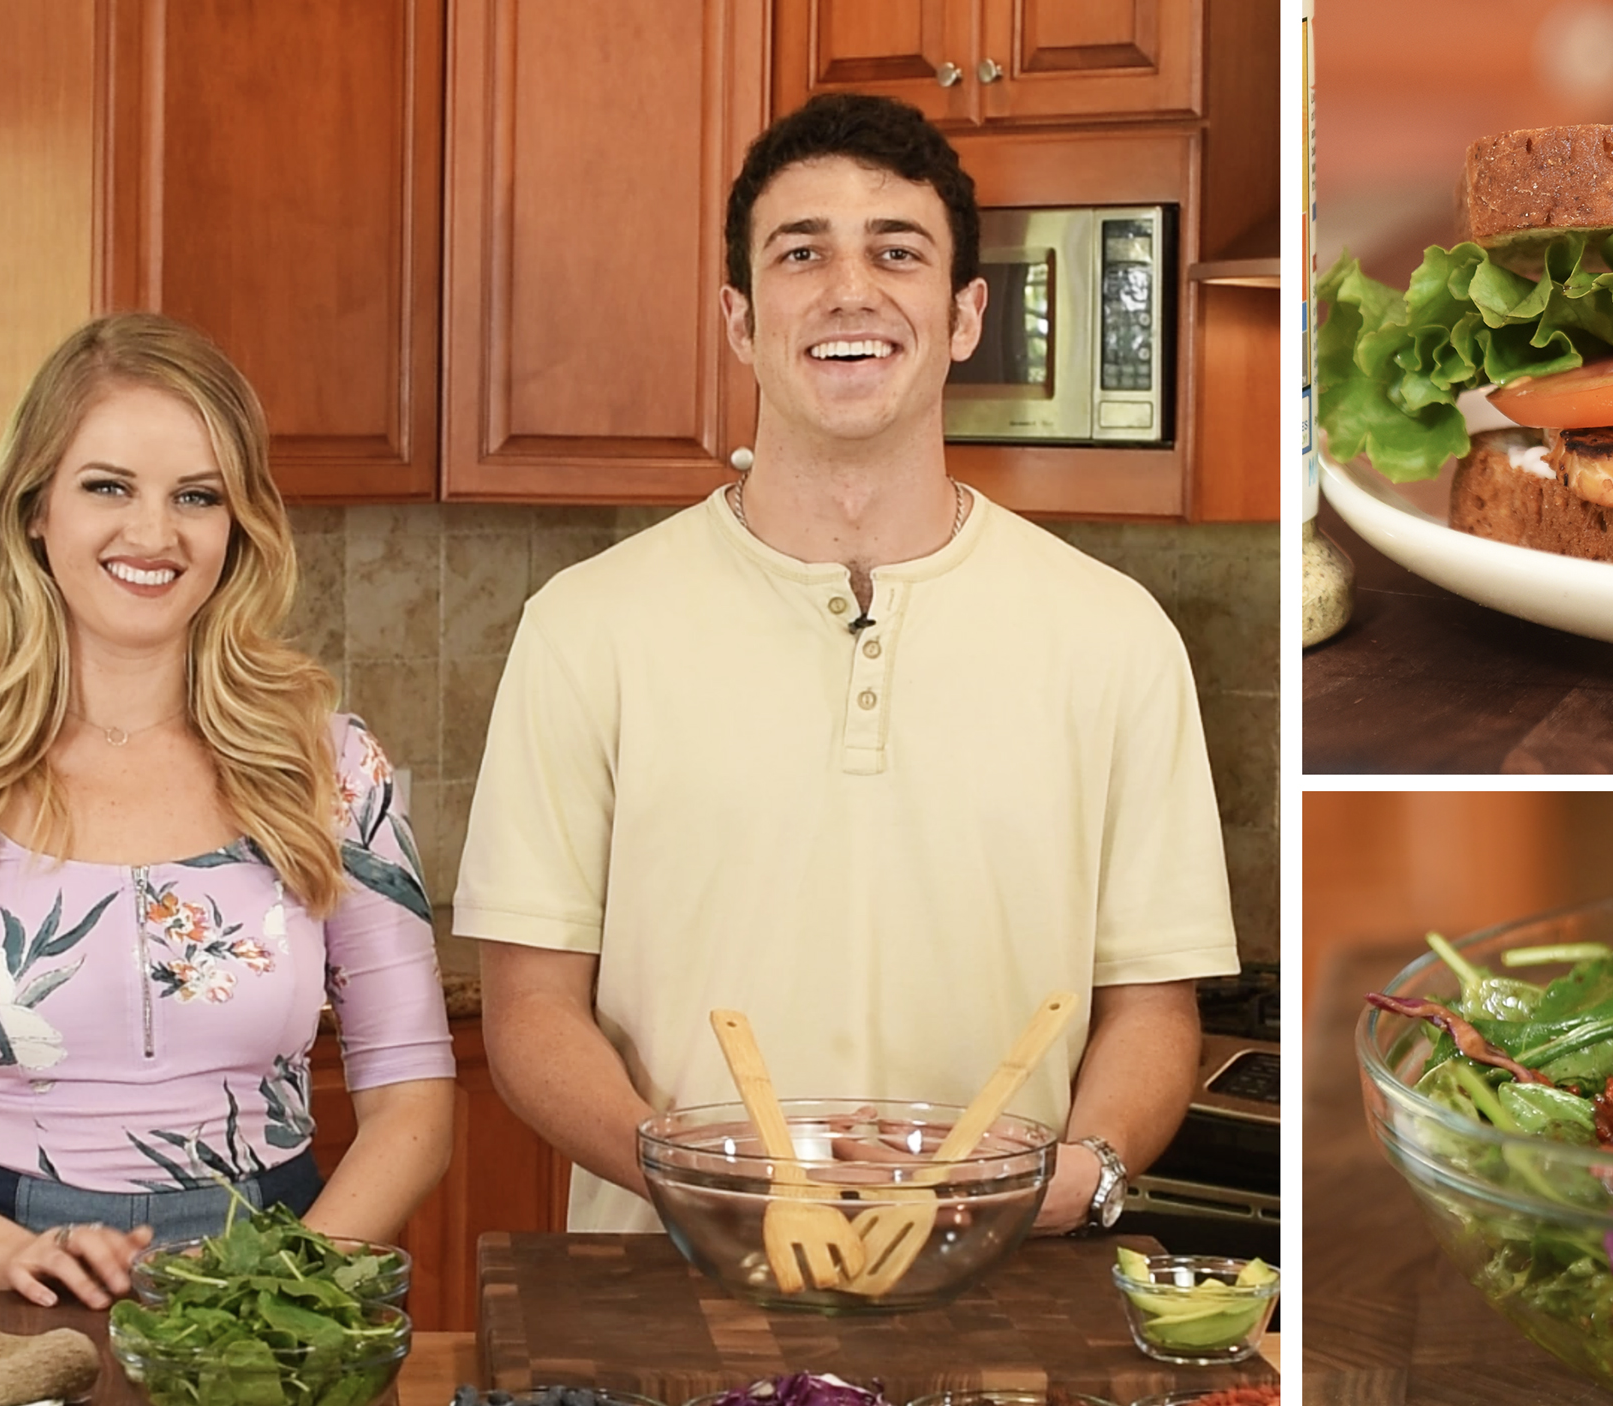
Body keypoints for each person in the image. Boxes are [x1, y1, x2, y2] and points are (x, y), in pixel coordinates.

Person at [455, 92, 1240, 1234]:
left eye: (896, 251)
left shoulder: (1117, 637)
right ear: (739, 317)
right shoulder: (584, 626)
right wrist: (697, 1177)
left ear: (966, 313)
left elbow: (1153, 1012)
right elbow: (528, 1012)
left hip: (1001, 1298)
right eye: (801, 251)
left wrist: (1070, 1178)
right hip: (671, 1295)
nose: (849, 289)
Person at [0, 314, 455, 1307]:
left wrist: (289, 1285)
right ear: (35, 505)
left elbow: (414, 1099)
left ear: (237, 521)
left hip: (288, 1278)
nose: (154, 533)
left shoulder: (328, 765)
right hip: (4, 1285)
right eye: (108, 485)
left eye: (197, 495)